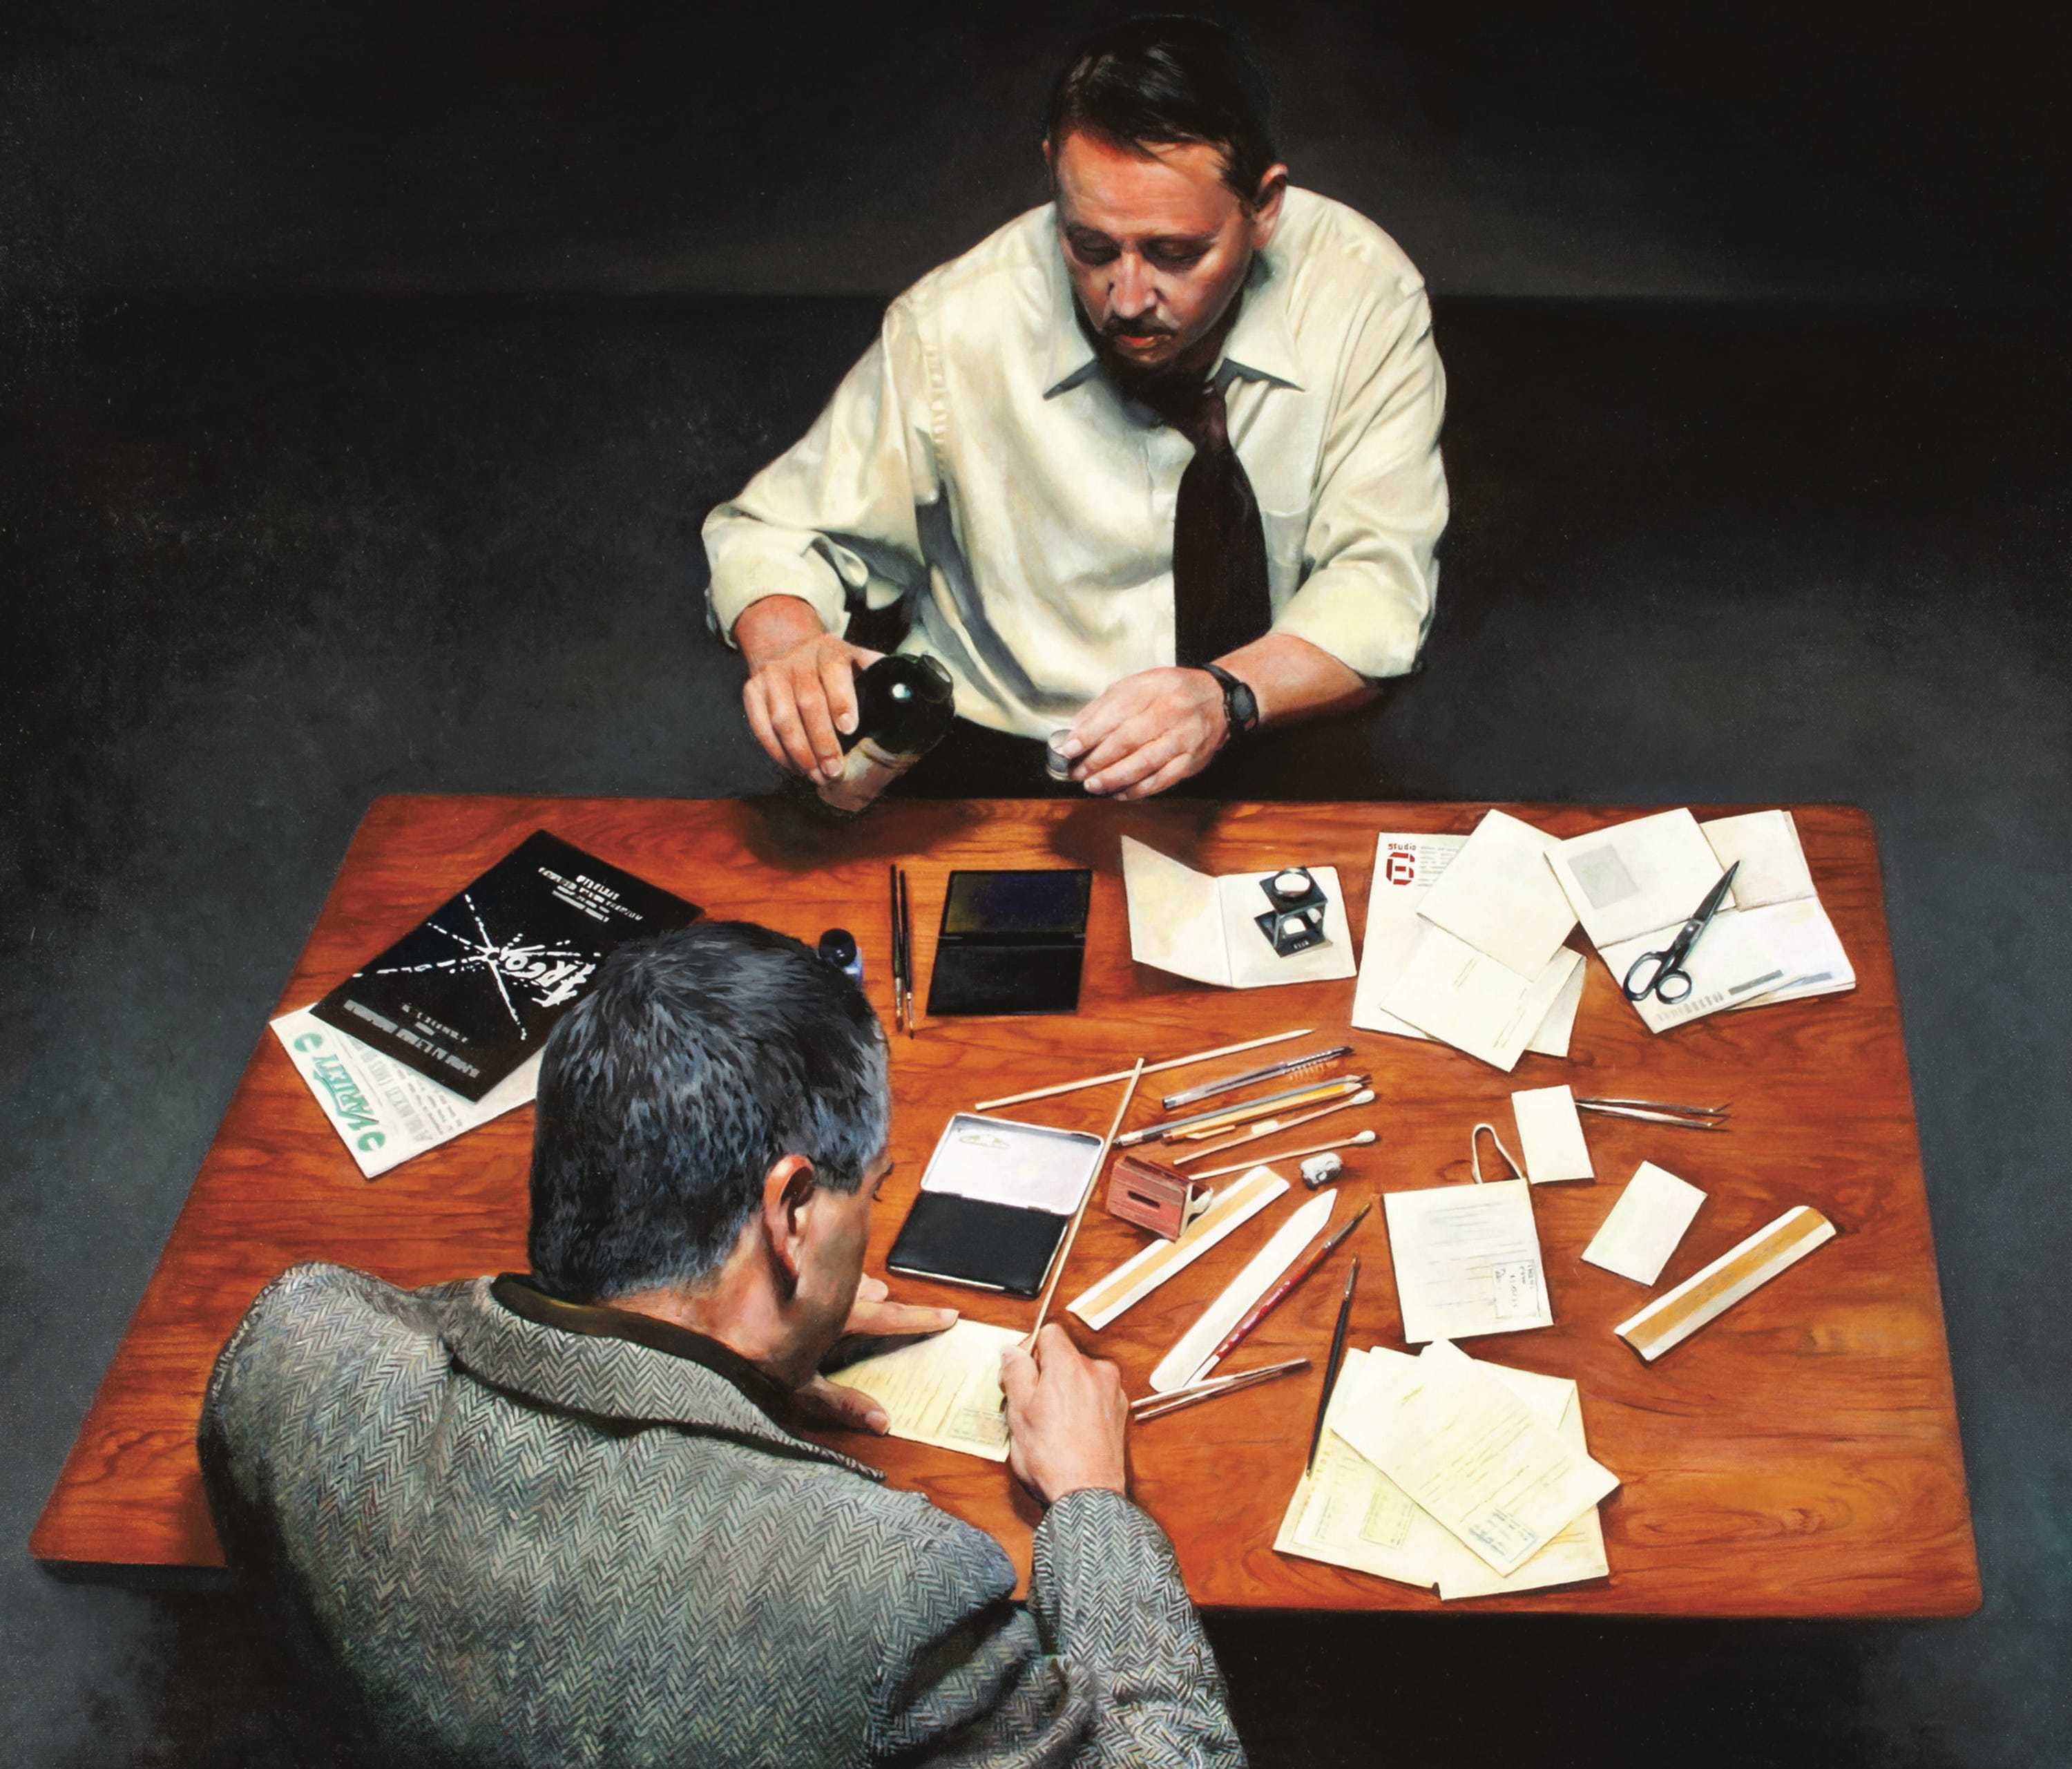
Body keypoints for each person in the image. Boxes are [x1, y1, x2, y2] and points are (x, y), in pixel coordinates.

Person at [199, 921, 1245, 1768]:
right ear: (791, 1214)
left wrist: (751, 1364)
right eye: (868, 1195)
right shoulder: (886, 1588)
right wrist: (1094, 1509)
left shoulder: (296, 1351)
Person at [704, 15, 1447, 800]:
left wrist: (1225, 696)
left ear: (1264, 208)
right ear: (1055, 172)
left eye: (1174, 252)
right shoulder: (954, 322)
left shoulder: (1363, 294)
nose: (1125, 299)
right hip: (995, 766)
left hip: (1260, 735)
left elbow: (1380, 584)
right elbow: (776, 532)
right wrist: (788, 643)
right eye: (1091, 246)